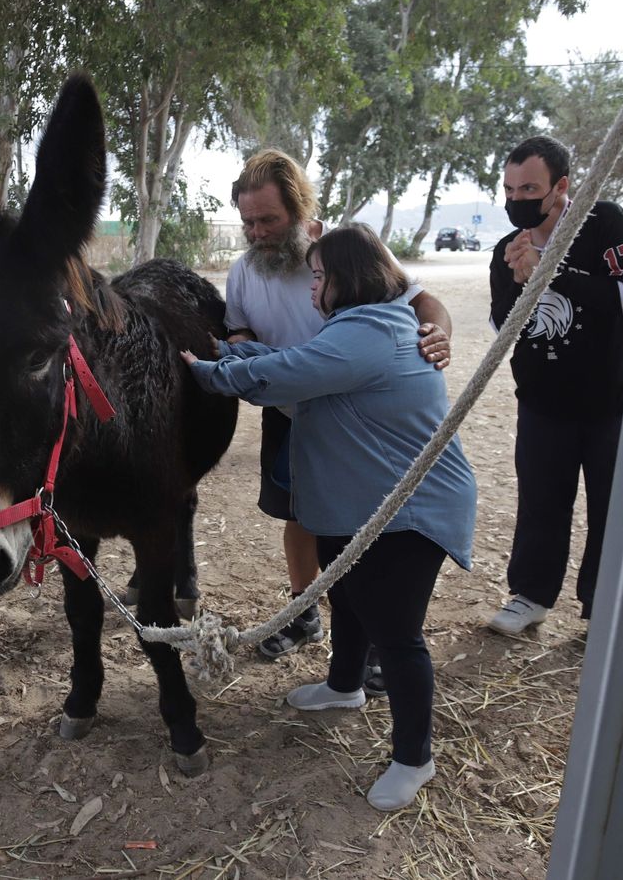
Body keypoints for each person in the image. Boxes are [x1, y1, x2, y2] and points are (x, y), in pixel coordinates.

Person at [180, 224, 477, 811]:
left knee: (397, 635)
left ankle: (415, 757)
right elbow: (297, 359)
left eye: (318, 276)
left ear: (347, 278)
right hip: (366, 500)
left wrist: (208, 370)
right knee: (350, 595)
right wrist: (237, 350)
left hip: (407, 511)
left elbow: (284, 377)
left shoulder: (367, 335)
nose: (312, 287)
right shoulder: (356, 329)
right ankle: (344, 686)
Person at [225, 149, 454, 662]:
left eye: (269, 220)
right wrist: (242, 353)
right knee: (300, 517)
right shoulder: (242, 272)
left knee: (366, 526)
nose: (257, 232)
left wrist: (440, 332)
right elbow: (239, 330)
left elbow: (423, 301)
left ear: (304, 215)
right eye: (248, 222)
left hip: (360, 417)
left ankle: (376, 638)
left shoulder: (346, 252)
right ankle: (304, 612)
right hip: (290, 416)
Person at [485, 135, 623, 634]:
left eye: (529, 188)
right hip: (541, 401)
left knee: (610, 503)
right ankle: (530, 594)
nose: (517, 200)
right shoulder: (506, 250)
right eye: (509, 190)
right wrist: (517, 280)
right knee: (541, 501)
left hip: (608, 401)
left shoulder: (606, 223)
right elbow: (500, 327)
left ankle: (603, 605)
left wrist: (552, 274)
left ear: (562, 187)